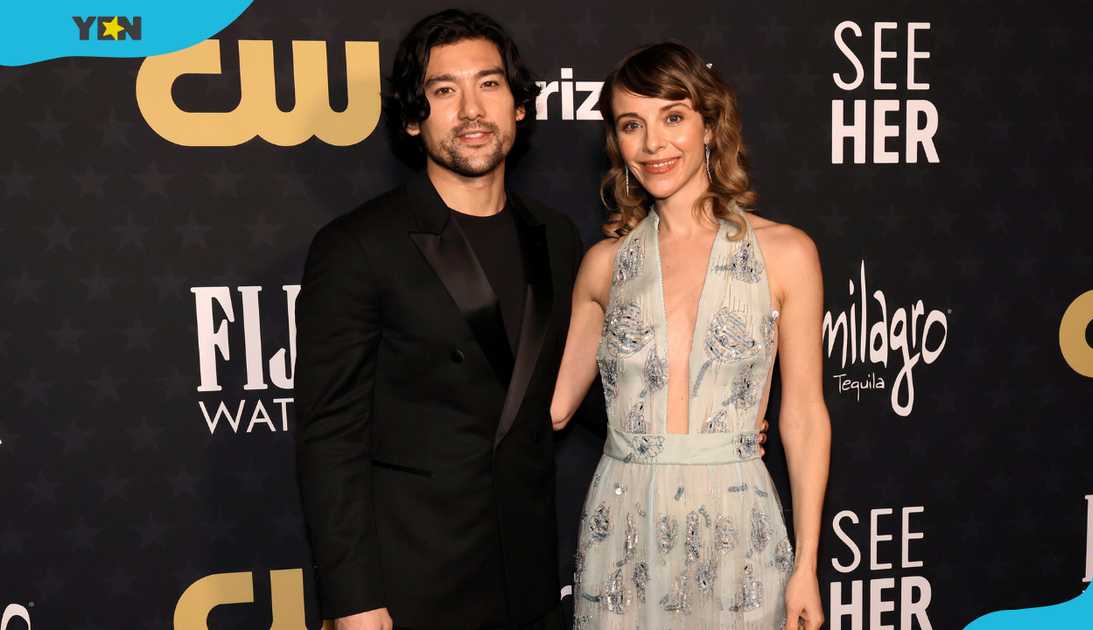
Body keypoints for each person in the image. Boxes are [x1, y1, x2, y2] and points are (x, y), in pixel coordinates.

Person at [292, 10, 580, 630]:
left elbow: (580, 382)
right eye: (444, 90)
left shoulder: (556, 236)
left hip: (529, 574)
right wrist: (353, 601)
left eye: (490, 84)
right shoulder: (357, 245)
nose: (472, 110)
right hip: (414, 580)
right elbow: (330, 436)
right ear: (412, 118)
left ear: (519, 106)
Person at [550, 42, 830, 629]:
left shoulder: (787, 254)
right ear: (617, 142)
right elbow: (552, 409)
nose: (653, 144)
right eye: (632, 124)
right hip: (622, 526)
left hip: (739, 526)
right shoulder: (604, 266)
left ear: (709, 125)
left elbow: (804, 415)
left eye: (673, 117)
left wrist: (806, 565)